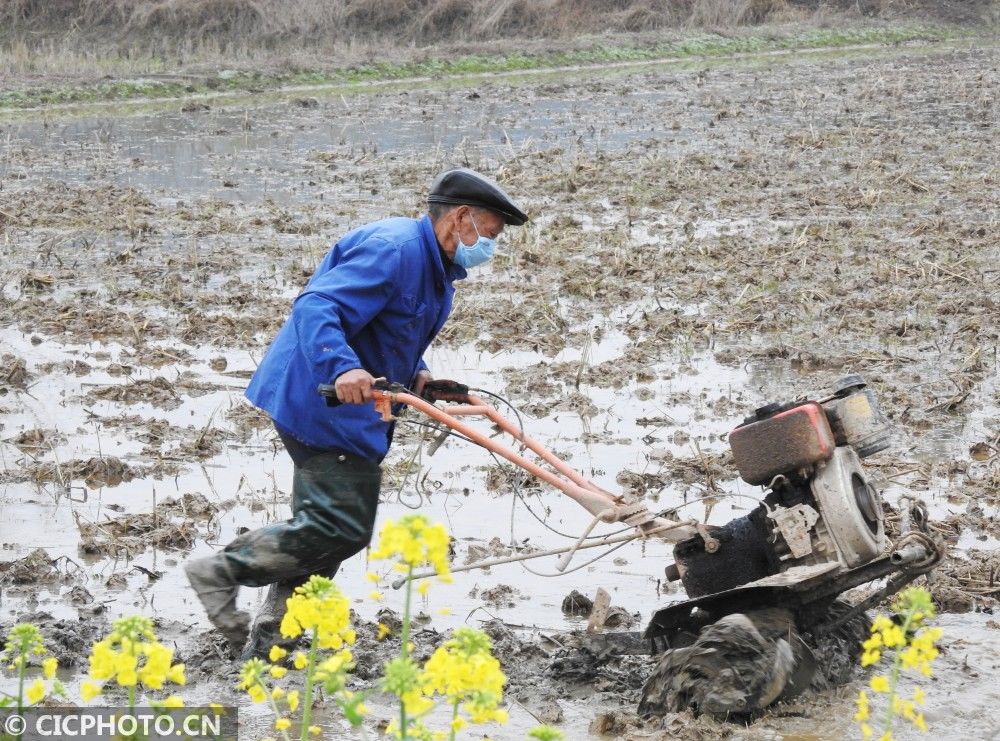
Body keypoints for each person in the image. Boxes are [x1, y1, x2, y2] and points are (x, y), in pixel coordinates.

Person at [185, 167, 527, 658]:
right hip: (318, 398)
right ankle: (220, 571)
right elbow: (316, 307)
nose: (490, 247)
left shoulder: (434, 269)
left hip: (349, 406)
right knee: (338, 526)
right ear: (461, 218)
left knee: (327, 529)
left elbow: (391, 330)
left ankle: (271, 643)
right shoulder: (395, 251)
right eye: (489, 234)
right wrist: (343, 367)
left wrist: (421, 376)